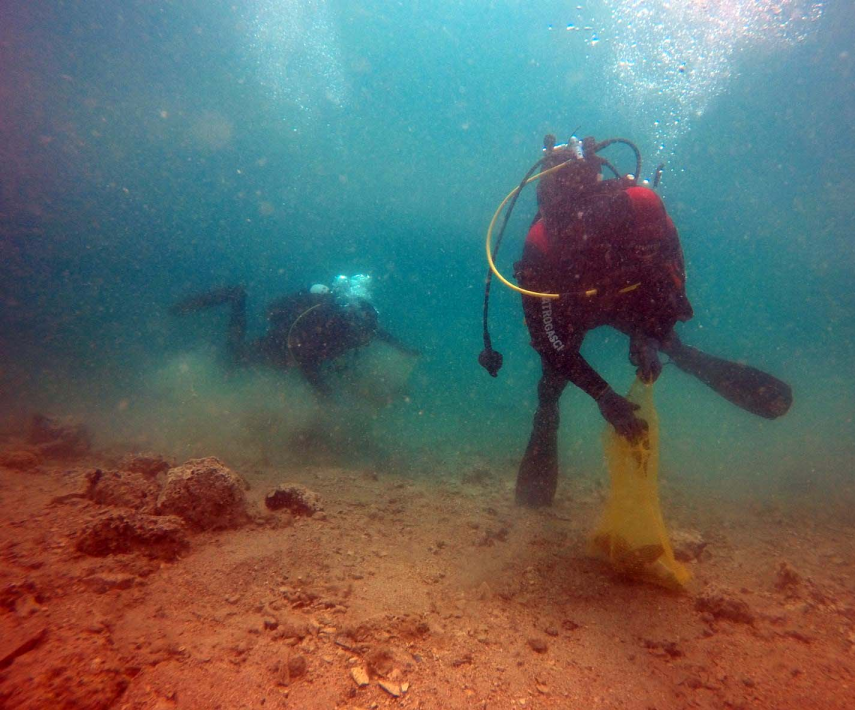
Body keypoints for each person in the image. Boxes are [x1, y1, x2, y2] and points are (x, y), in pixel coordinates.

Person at [479, 135, 790, 507]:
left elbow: (670, 285)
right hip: (574, 307)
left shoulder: (642, 210)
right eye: (562, 221)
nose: (576, 233)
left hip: (629, 298)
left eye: (582, 219)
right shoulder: (541, 248)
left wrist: (649, 334)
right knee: (552, 380)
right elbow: (549, 341)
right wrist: (602, 395)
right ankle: (548, 414)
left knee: (666, 343)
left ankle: (681, 354)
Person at [171, 274, 418, 396]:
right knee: (233, 356)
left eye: (368, 333)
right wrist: (324, 395)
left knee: (236, 359)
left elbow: (380, 334)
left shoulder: (359, 325)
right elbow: (306, 359)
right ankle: (236, 297)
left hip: (287, 350)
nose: (366, 339)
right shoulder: (334, 328)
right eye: (363, 333)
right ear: (352, 323)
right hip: (278, 347)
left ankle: (237, 297)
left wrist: (405, 349)